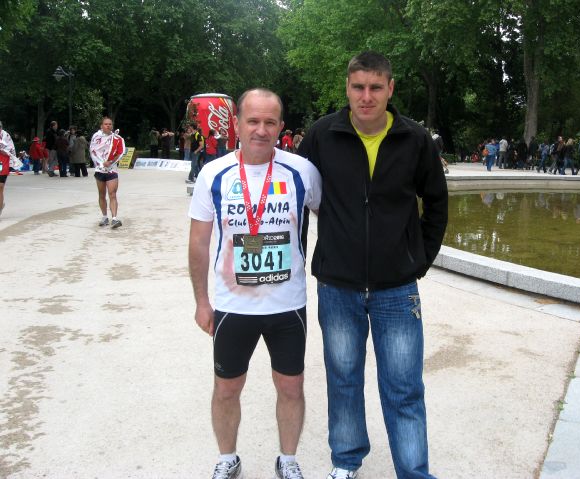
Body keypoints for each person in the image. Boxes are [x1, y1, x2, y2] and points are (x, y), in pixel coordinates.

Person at [298, 51, 447, 479]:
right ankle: (346, 460)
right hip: (337, 286)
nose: (367, 97)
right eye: (359, 87)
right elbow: (295, 200)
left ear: (390, 88)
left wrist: (418, 260)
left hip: (396, 288)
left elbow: (436, 203)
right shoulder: (322, 136)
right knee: (343, 380)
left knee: (404, 388)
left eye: (375, 87)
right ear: (347, 88)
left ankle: (414, 472)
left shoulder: (415, 139)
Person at [188, 88, 321, 479]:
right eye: (253, 121)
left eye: (269, 122)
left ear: (281, 127)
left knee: (291, 387)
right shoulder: (213, 174)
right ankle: (227, 457)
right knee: (226, 389)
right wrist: (201, 301)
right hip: (234, 305)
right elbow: (198, 243)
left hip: (287, 304)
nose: (261, 130)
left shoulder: (302, 172)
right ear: (237, 124)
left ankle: (288, 460)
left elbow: (337, 219)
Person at [90, 117, 125, 229]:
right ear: (101, 126)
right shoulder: (96, 137)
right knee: (101, 194)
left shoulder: (117, 138)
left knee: (112, 194)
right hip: (99, 169)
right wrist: (101, 164)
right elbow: (92, 151)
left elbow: (120, 152)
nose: (108, 126)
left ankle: (114, 219)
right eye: (106, 124)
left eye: (110, 124)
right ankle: (104, 217)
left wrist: (110, 162)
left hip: (111, 170)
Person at [0, 121, 18, 216]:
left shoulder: (6, 136)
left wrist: (2, 150)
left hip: (3, 163)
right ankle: (1, 205)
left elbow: (10, 150)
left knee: (0, 186)